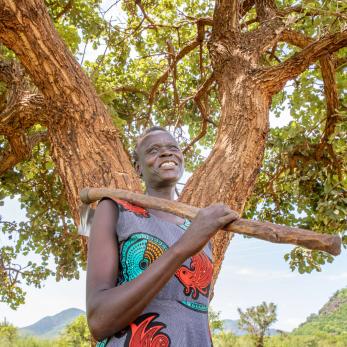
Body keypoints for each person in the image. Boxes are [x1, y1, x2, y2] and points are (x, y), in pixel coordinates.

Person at [86, 126, 239, 346]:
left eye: (172, 148)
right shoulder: (114, 210)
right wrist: (182, 247)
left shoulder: (197, 226)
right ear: (138, 168)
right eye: (153, 150)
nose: (166, 153)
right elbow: (99, 321)